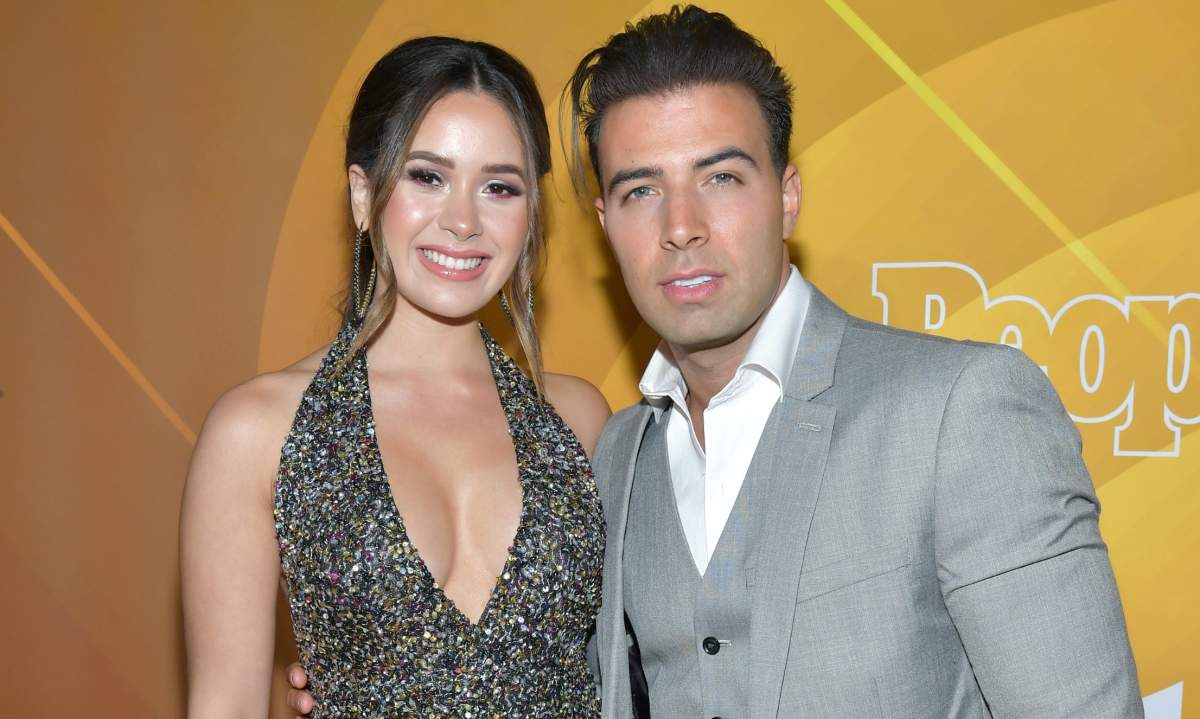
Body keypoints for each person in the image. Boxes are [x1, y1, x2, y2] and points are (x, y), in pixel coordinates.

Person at [286, 6, 1143, 718]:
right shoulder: (611, 457)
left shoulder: (961, 409)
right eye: (642, 189)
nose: (682, 225)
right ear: (604, 222)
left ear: (787, 195)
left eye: (722, 177)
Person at [180, 36, 610, 718]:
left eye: (499, 187)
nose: (462, 221)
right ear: (363, 193)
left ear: (531, 216)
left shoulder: (580, 421)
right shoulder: (257, 431)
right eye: (427, 177)